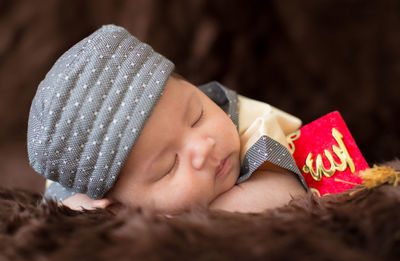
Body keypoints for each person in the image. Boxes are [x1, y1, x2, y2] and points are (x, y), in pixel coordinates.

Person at [27, 25, 307, 214]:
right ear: (116, 203)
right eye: (169, 166)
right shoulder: (81, 195)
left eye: (197, 117)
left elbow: (285, 193)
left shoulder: (246, 120)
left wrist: (193, 222)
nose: (204, 146)